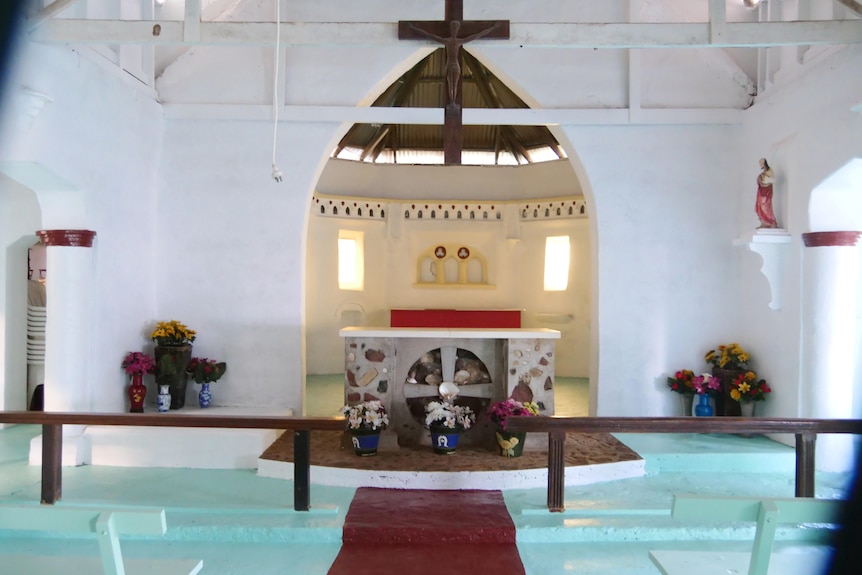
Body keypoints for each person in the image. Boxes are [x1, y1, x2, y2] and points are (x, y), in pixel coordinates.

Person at [409, 20, 501, 107]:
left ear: (457, 30)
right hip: (449, 65)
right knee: (450, 83)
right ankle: (451, 102)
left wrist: (493, 27)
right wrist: (413, 28)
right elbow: (428, 35)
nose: (454, 31)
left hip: (455, 65)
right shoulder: (447, 41)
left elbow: (478, 35)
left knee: (454, 84)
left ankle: (453, 102)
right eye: (453, 28)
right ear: (451, 30)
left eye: (456, 29)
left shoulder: (459, 41)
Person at [755, 157, 778, 229]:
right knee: (760, 206)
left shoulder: (770, 171)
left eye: (761, 163)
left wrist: (763, 177)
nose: (760, 165)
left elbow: (773, 180)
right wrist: (760, 177)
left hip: (767, 192)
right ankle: (764, 222)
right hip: (761, 191)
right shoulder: (764, 172)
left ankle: (771, 222)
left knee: (767, 207)